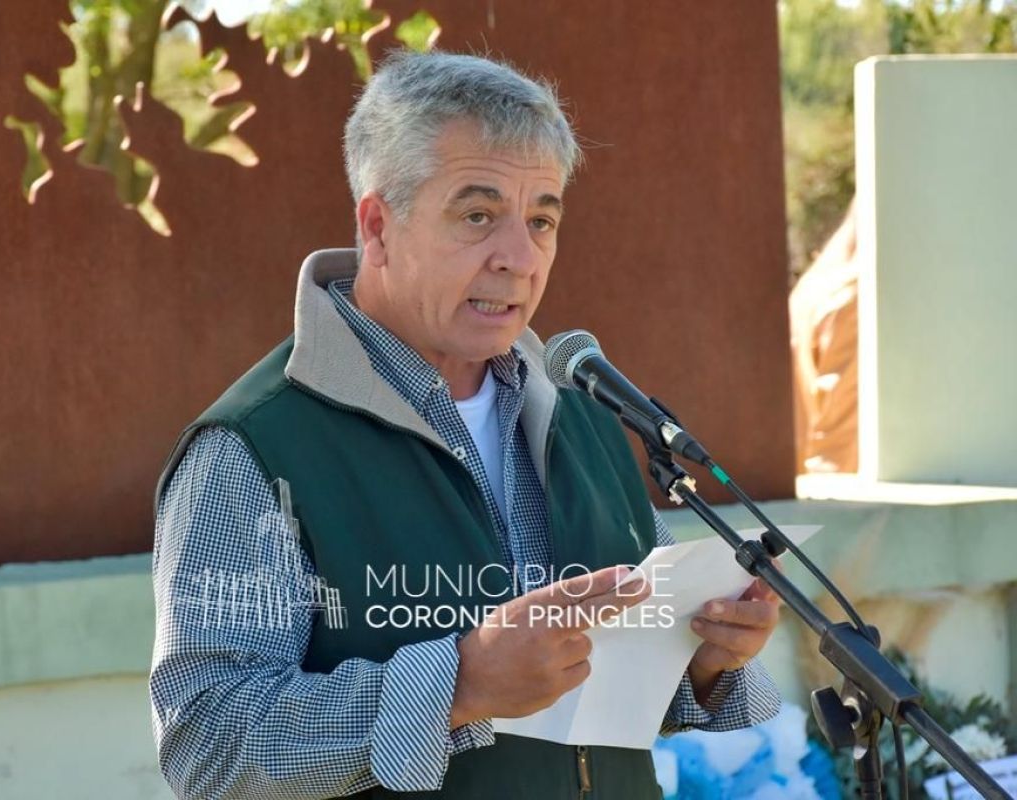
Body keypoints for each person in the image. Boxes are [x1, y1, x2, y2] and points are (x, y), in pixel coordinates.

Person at [151, 51, 782, 800]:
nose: (519, 258)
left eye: (541, 219)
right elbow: (208, 743)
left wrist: (708, 655)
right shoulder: (252, 448)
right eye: (478, 215)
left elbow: (619, 687)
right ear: (379, 228)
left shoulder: (583, 414)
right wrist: (459, 684)